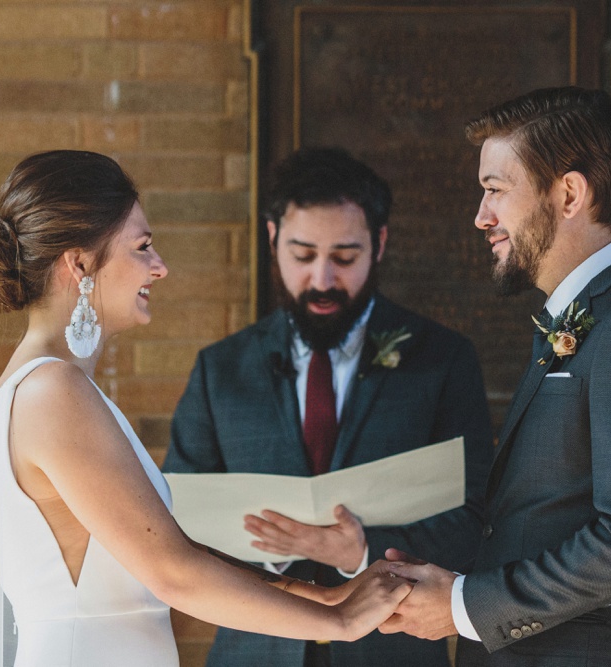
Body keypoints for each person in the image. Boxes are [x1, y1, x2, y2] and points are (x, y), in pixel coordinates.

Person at [0, 150, 412, 667]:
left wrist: (326, 596)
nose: (160, 266)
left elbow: (175, 551)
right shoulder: (52, 390)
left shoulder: (45, 385)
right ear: (79, 263)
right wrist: (340, 623)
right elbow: (172, 572)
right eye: (143, 246)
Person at [379, 87, 611, 667]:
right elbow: (532, 519)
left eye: (495, 191)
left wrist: (463, 606)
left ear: (568, 194)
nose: (481, 216)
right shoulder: (583, 318)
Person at [164, 147, 494, 667]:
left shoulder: (443, 360)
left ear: (378, 244)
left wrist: (361, 551)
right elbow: (176, 528)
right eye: (302, 255)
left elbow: (479, 521)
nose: (321, 280)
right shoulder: (219, 370)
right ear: (273, 240)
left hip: (392, 654)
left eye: (343, 257)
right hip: (252, 653)